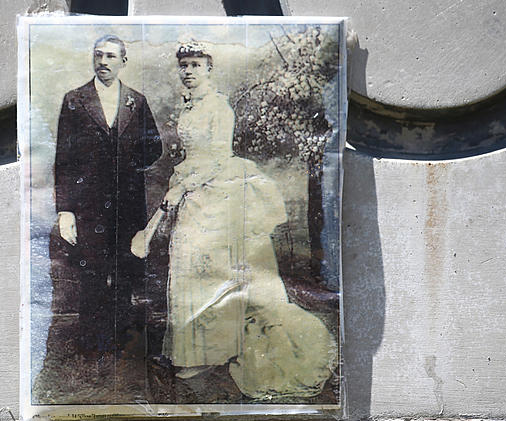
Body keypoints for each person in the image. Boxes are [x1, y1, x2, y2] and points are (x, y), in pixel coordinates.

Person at [132, 41, 336, 400]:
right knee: (191, 268)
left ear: (210, 68)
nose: (189, 71)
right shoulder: (189, 106)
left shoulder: (219, 108)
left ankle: (222, 348)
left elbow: (217, 158)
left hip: (220, 195)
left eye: (197, 64)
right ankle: (198, 353)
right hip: (195, 193)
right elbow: (193, 155)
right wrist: (179, 185)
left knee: (216, 270)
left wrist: (182, 189)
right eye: (185, 65)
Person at [53, 34, 162, 358]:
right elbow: (63, 159)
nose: (103, 62)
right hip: (88, 205)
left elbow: (154, 146)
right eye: (99, 55)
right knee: (93, 273)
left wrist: (128, 164)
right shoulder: (75, 100)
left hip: (128, 204)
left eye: (111, 56)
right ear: (93, 59)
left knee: (126, 271)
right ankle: (92, 344)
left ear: (123, 62)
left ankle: (123, 343)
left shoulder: (136, 102)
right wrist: (66, 211)